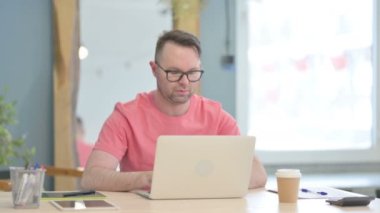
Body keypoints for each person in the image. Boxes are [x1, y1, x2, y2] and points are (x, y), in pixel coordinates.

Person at [81, 30, 267, 191]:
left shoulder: (217, 117)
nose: (185, 82)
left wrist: (193, 182)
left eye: (192, 72)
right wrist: (148, 179)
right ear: (154, 69)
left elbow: (257, 174)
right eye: (174, 72)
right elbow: (92, 178)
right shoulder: (126, 117)